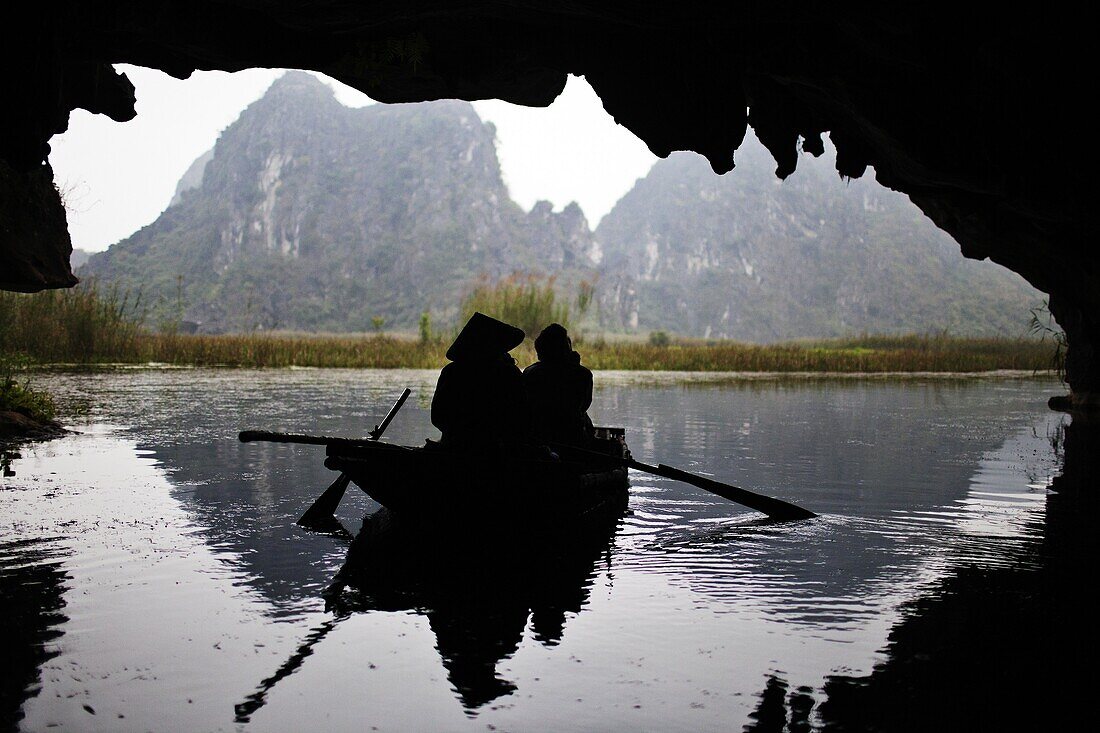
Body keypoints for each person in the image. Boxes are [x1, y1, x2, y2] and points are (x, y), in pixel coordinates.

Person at [431, 312, 529, 448]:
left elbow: (437, 417)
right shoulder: (508, 373)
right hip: (496, 448)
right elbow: (520, 416)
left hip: (453, 444)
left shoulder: (451, 371)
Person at [522, 323, 594, 447]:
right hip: (572, 438)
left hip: (538, 436)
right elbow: (582, 407)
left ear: (540, 351)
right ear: (566, 349)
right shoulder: (583, 374)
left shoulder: (530, 373)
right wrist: (574, 366)